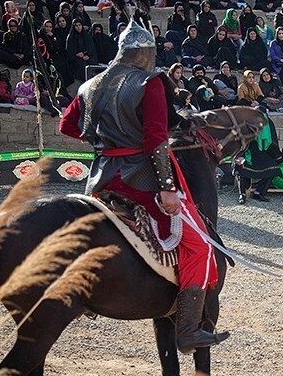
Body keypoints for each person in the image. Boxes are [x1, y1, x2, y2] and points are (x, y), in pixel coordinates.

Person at [58, 21, 229, 355]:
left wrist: (103, 141)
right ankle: (189, 329)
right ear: (146, 53)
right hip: (138, 179)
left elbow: (67, 125)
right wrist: (167, 187)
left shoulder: (90, 84)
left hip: (100, 178)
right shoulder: (148, 83)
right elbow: (155, 140)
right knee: (199, 246)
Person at [236, 106, 282, 203]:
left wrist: (279, 158)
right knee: (240, 167)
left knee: (274, 168)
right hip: (247, 153)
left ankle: (259, 192)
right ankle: (242, 194)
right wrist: (239, 156)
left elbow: (272, 143)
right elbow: (239, 141)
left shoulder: (269, 124)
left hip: (262, 154)